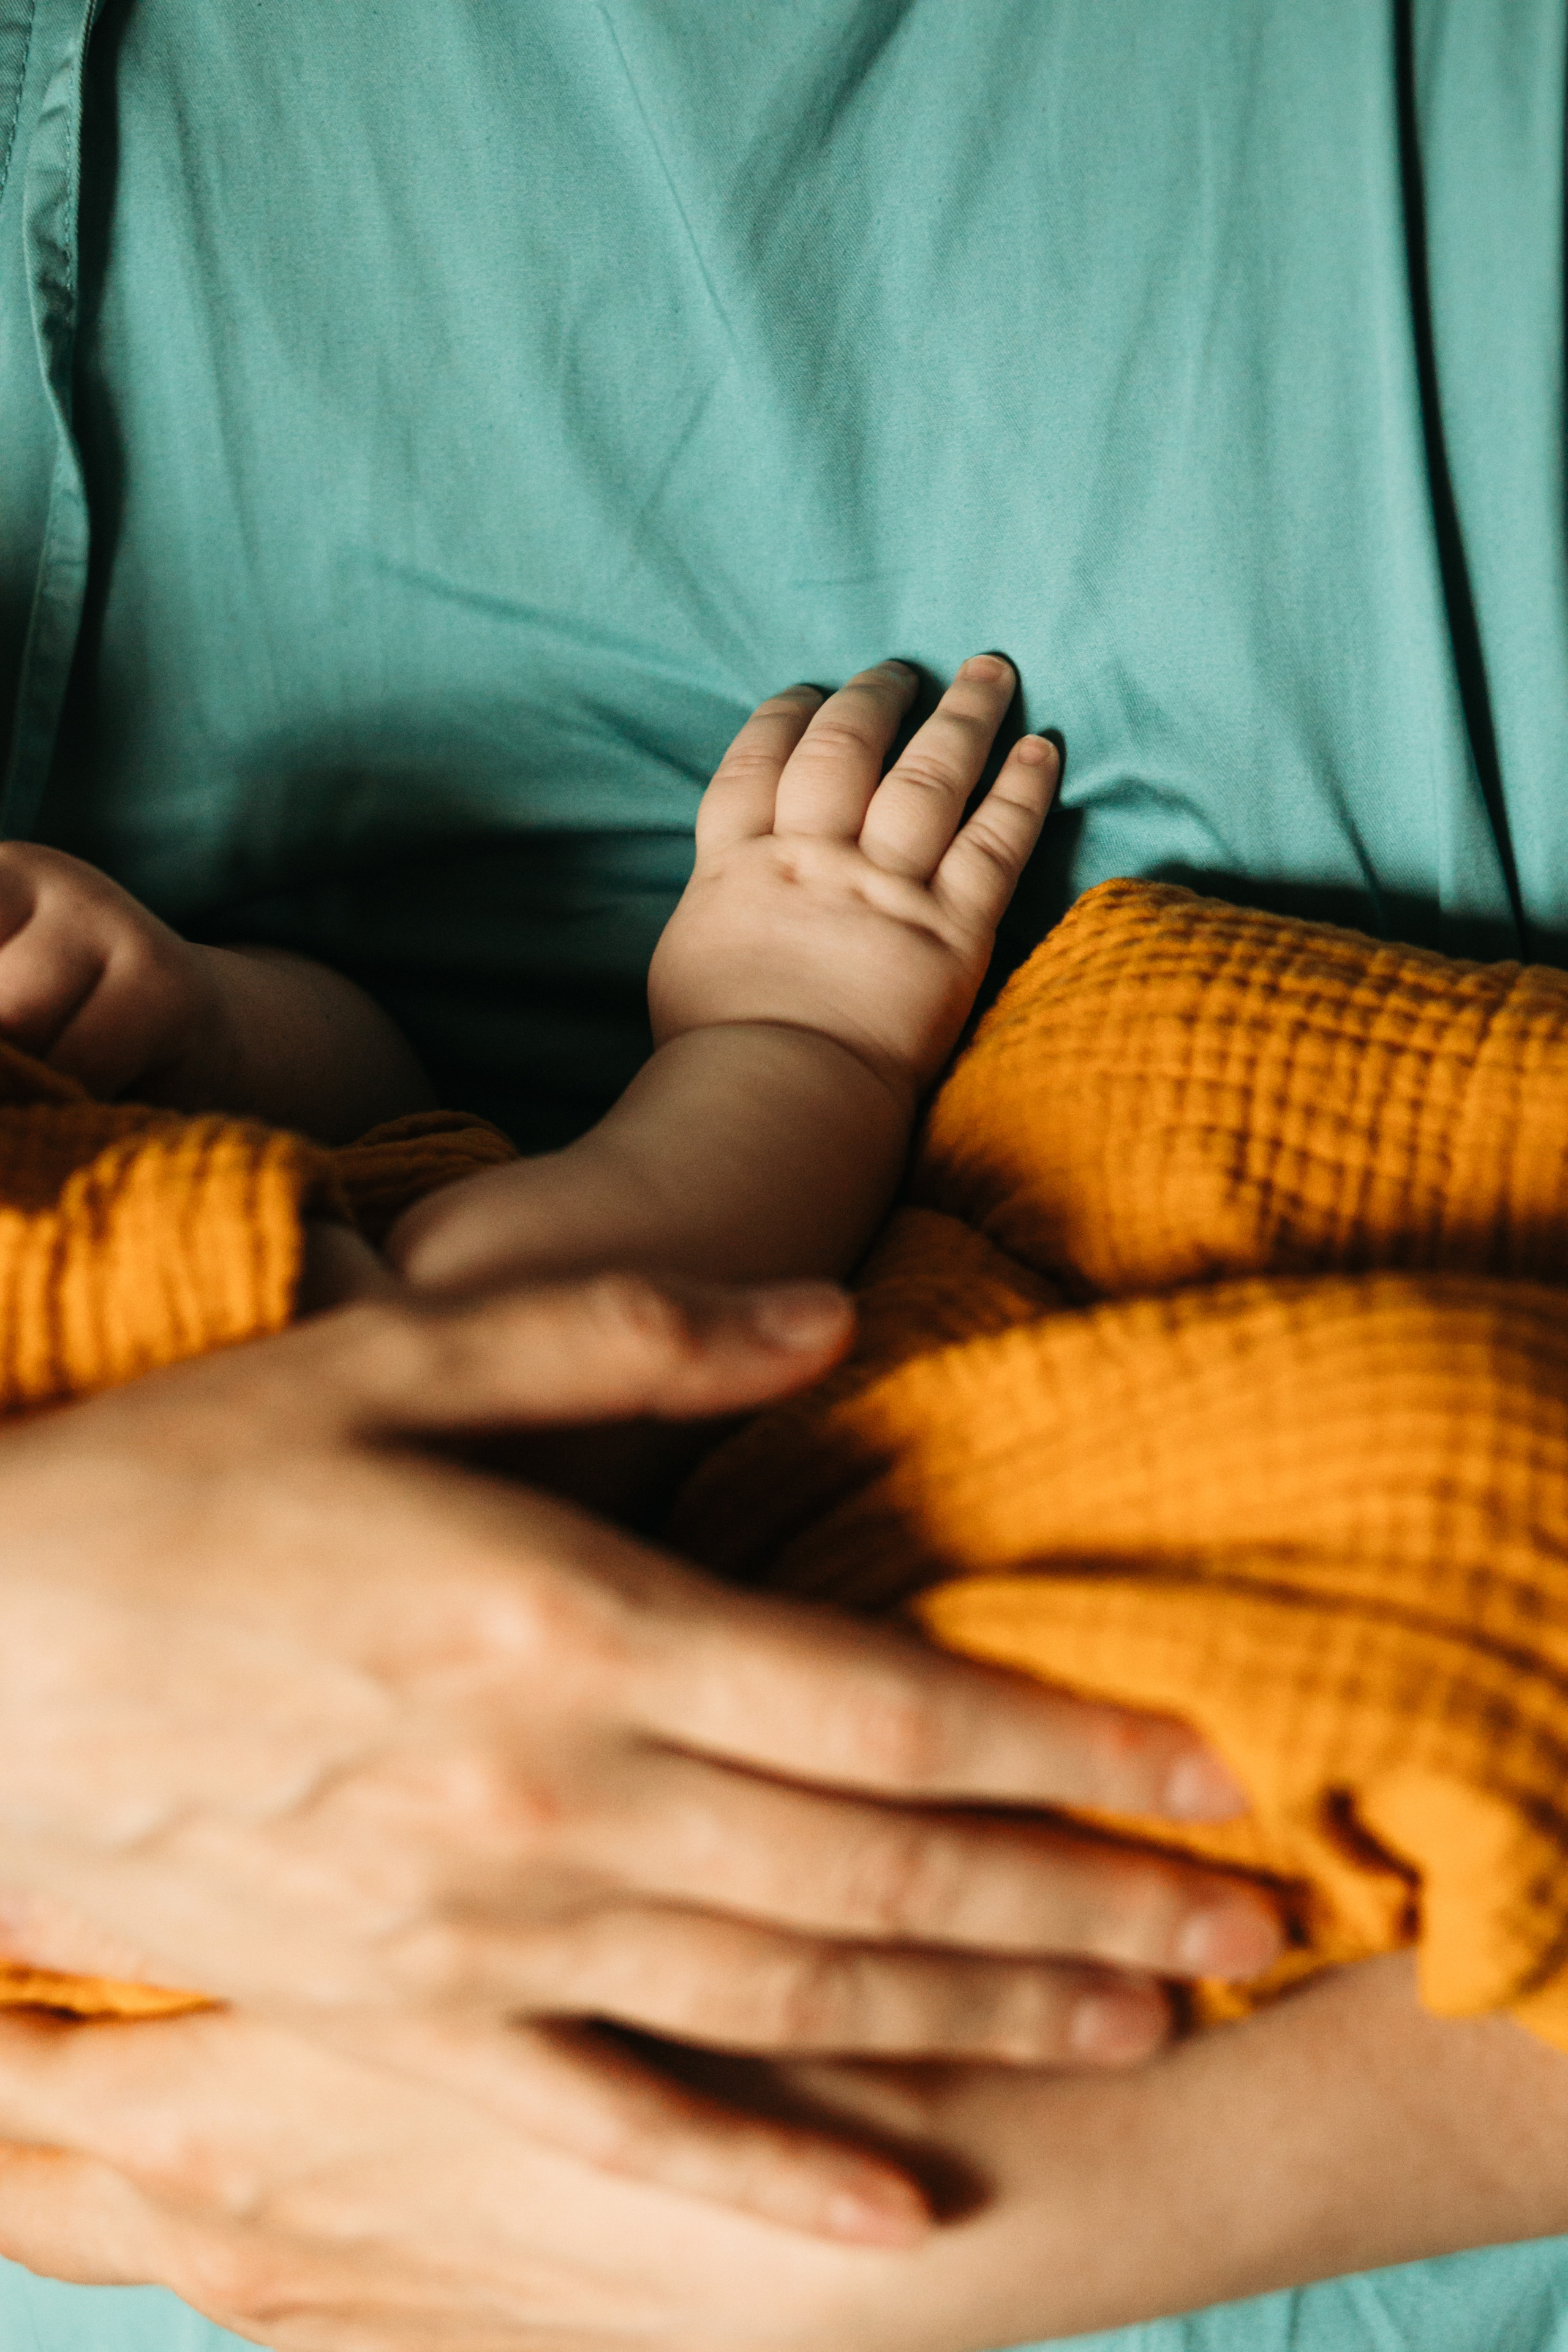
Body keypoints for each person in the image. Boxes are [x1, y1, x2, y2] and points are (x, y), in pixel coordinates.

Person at [4, 1, 1568, 2348]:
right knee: (1392, 1483)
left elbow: (365, 1157)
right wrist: (787, 1040)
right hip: (726, 1641)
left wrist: (205, 1033)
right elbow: (514, 1327)